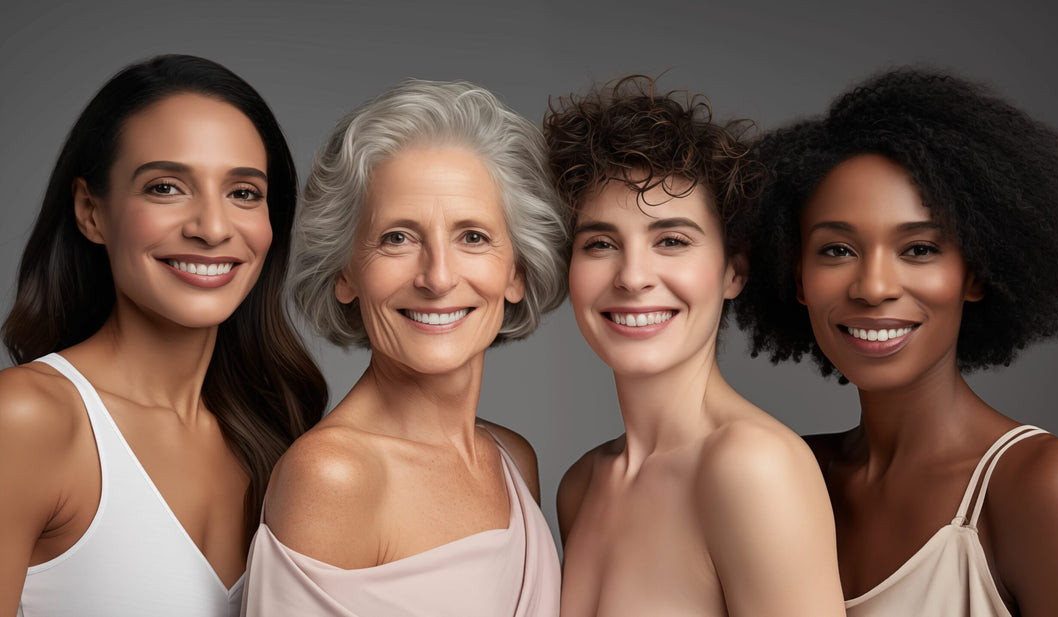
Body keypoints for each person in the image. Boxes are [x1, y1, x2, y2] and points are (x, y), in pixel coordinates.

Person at [737, 69, 1058, 616]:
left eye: (919, 249)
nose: (874, 287)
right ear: (797, 279)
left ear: (976, 274)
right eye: (836, 250)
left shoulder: (1049, 486)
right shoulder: (789, 473)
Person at [0, 55, 326, 616]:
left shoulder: (282, 435)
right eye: (167, 187)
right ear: (90, 212)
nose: (212, 227)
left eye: (243, 193)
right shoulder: (26, 419)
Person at [241, 80, 567, 616]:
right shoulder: (334, 476)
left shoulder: (513, 459)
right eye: (397, 237)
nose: (437, 277)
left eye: (473, 237)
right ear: (345, 273)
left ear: (518, 272)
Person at [544, 76, 846, 617]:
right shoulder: (582, 485)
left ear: (733, 271)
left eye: (672, 241)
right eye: (600, 243)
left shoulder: (754, 467)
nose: (633, 277)